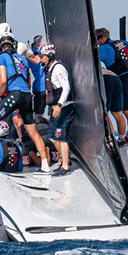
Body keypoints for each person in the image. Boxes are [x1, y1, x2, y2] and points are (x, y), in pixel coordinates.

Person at [0, 35, 52, 173]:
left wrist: (0, 94)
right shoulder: (22, 58)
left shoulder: (1, 57)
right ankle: (45, 166)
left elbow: (4, 80)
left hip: (14, 94)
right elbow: (29, 79)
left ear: (1, 46)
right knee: (33, 133)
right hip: (27, 96)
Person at [95, 27, 128, 142]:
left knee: (126, 109)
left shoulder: (103, 48)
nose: (96, 43)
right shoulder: (122, 43)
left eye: (96, 40)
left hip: (124, 78)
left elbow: (95, 58)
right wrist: (125, 59)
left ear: (101, 39)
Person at [40, 41, 75, 175]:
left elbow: (66, 88)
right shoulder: (49, 68)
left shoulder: (58, 68)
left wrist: (59, 105)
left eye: (43, 56)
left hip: (64, 108)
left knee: (61, 137)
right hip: (55, 108)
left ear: (49, 55)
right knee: (52, 137)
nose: (41, 58)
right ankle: (65, 159)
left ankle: (65, 166)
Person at [96, 28, 127, 141]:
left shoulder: (97, 52)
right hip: (115, 78)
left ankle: (111, 139)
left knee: (104, 113)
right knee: (118, 113)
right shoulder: (104, 52)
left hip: (105, 79)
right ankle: (122, 139)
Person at [29, 35, 47, 117]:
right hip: (42, 88)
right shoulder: (40, 55)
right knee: (39, 115)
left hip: (39, 88)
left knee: (38, 115)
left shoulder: (30, 56)